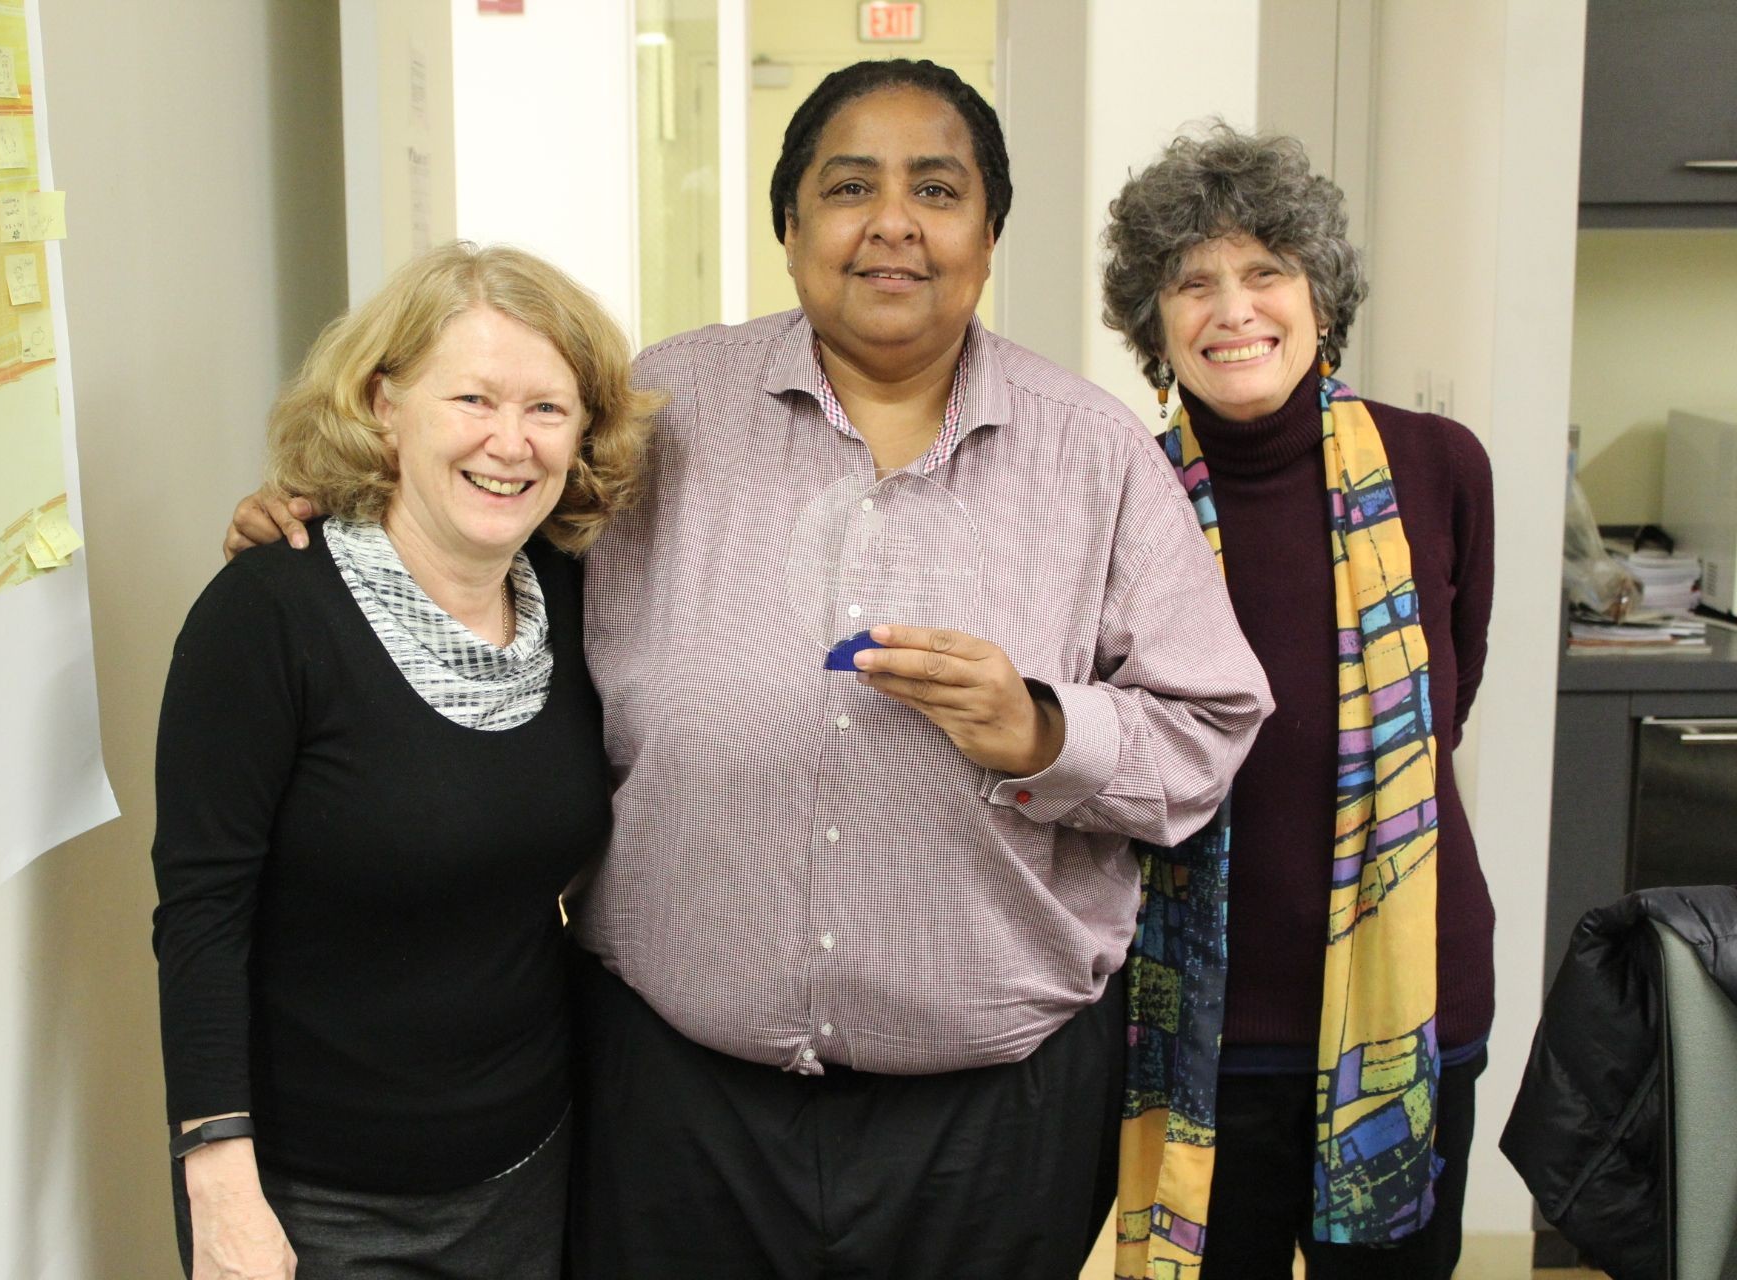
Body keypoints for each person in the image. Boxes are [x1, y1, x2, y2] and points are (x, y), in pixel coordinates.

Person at [231, 60, 1271, 1277]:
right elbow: (483, 520)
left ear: (989, 232)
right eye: (848, 187)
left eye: (936, 188)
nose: (892, 221)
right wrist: (339, 518)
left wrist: (1044, 729)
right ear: (788, 228)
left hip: (992, 1122)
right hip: (673, 1101)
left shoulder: (1096, 455)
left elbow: (1210, 726)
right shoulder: (659, 412)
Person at [153, 241, 659, 1279]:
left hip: (530, 1166)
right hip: (317, 1200)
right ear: (384, 405)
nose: (509, 443)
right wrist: (219, 1181)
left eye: (547, 410)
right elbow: (202, 916)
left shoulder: (570, 591)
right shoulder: (267, 615)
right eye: (471, 398)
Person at [1100, 125, 1496, 1280]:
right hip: (1195, 1025)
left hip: (1409, 997)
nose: (1235, 308)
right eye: (1192, 281)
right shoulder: (1114, 486)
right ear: (1153, 321)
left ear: (1322, 294)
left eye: (1267, 270)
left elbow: (1446, 702)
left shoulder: (1440, 464)